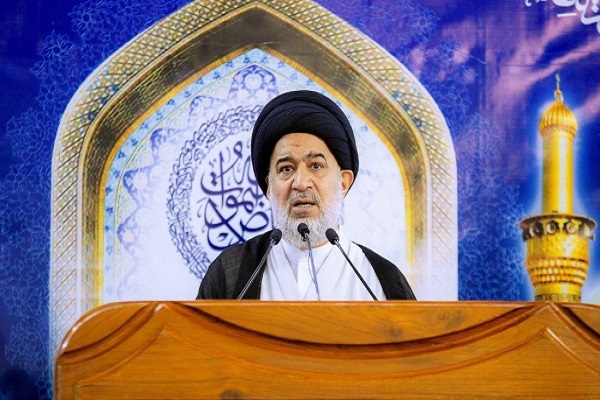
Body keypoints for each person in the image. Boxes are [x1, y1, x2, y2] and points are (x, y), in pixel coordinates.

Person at [197, 90, 415, 300]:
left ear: (343, 182)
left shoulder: (382, 282)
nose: (300, 183)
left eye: (316, 166)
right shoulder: (230, 274)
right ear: (269, 186)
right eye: (286, 168)